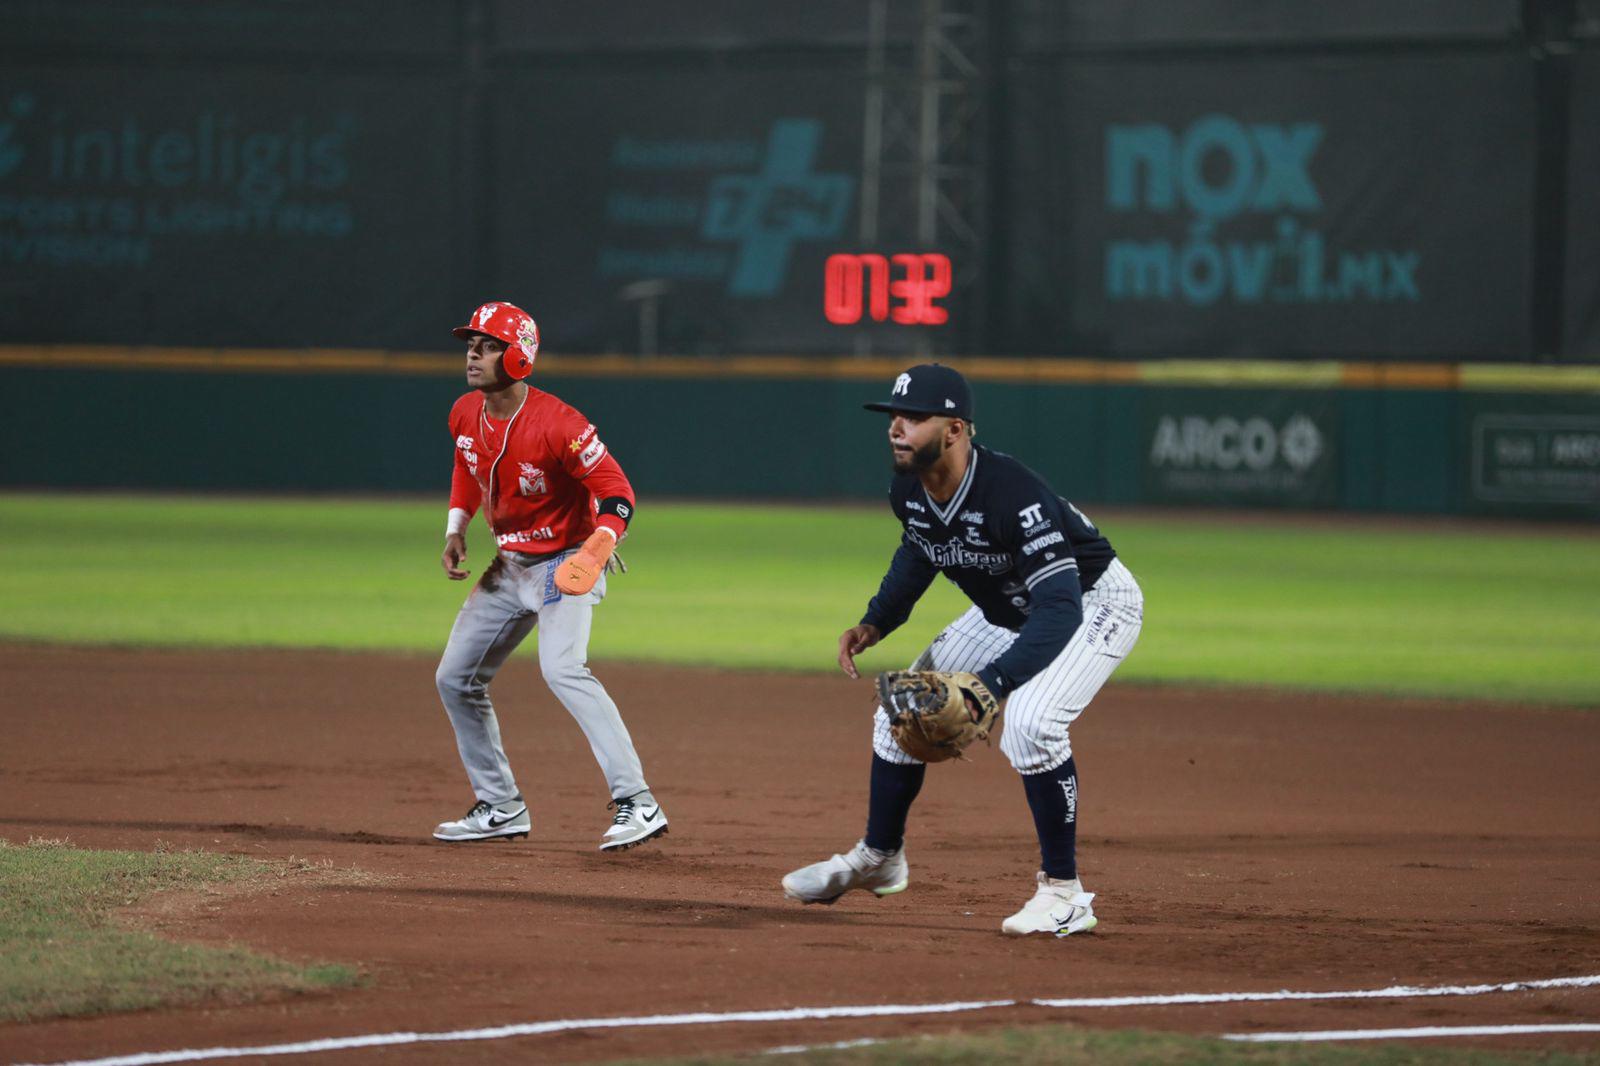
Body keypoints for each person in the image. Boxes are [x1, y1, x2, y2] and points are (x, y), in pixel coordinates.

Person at [781, 363, 1143, 936]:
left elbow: (1060, 609)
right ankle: (880, 859)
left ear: (955, 428)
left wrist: (993, 683)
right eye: (894, 416)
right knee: (901, 708)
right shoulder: (910, 487)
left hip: (1092, 602)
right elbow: (920, 550)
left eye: (914, 418)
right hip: (1008, 611)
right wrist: (877, 621)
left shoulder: (1013, 495)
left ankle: (1065, 895)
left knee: (1030, 723)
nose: (897, 428)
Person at [432, 300, 667, 852]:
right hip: (508, 565)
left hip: (567, 564)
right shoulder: (465, 412)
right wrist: (455, 527)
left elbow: (617, 491)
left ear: (518, 358)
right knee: (454, 679)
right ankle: (501, 806)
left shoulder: (560, 423)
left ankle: (639, 802)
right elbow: (468, 465)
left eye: (488, 345)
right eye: (471, 342)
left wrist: (597, 546)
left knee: (563, 669)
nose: (473, 352)